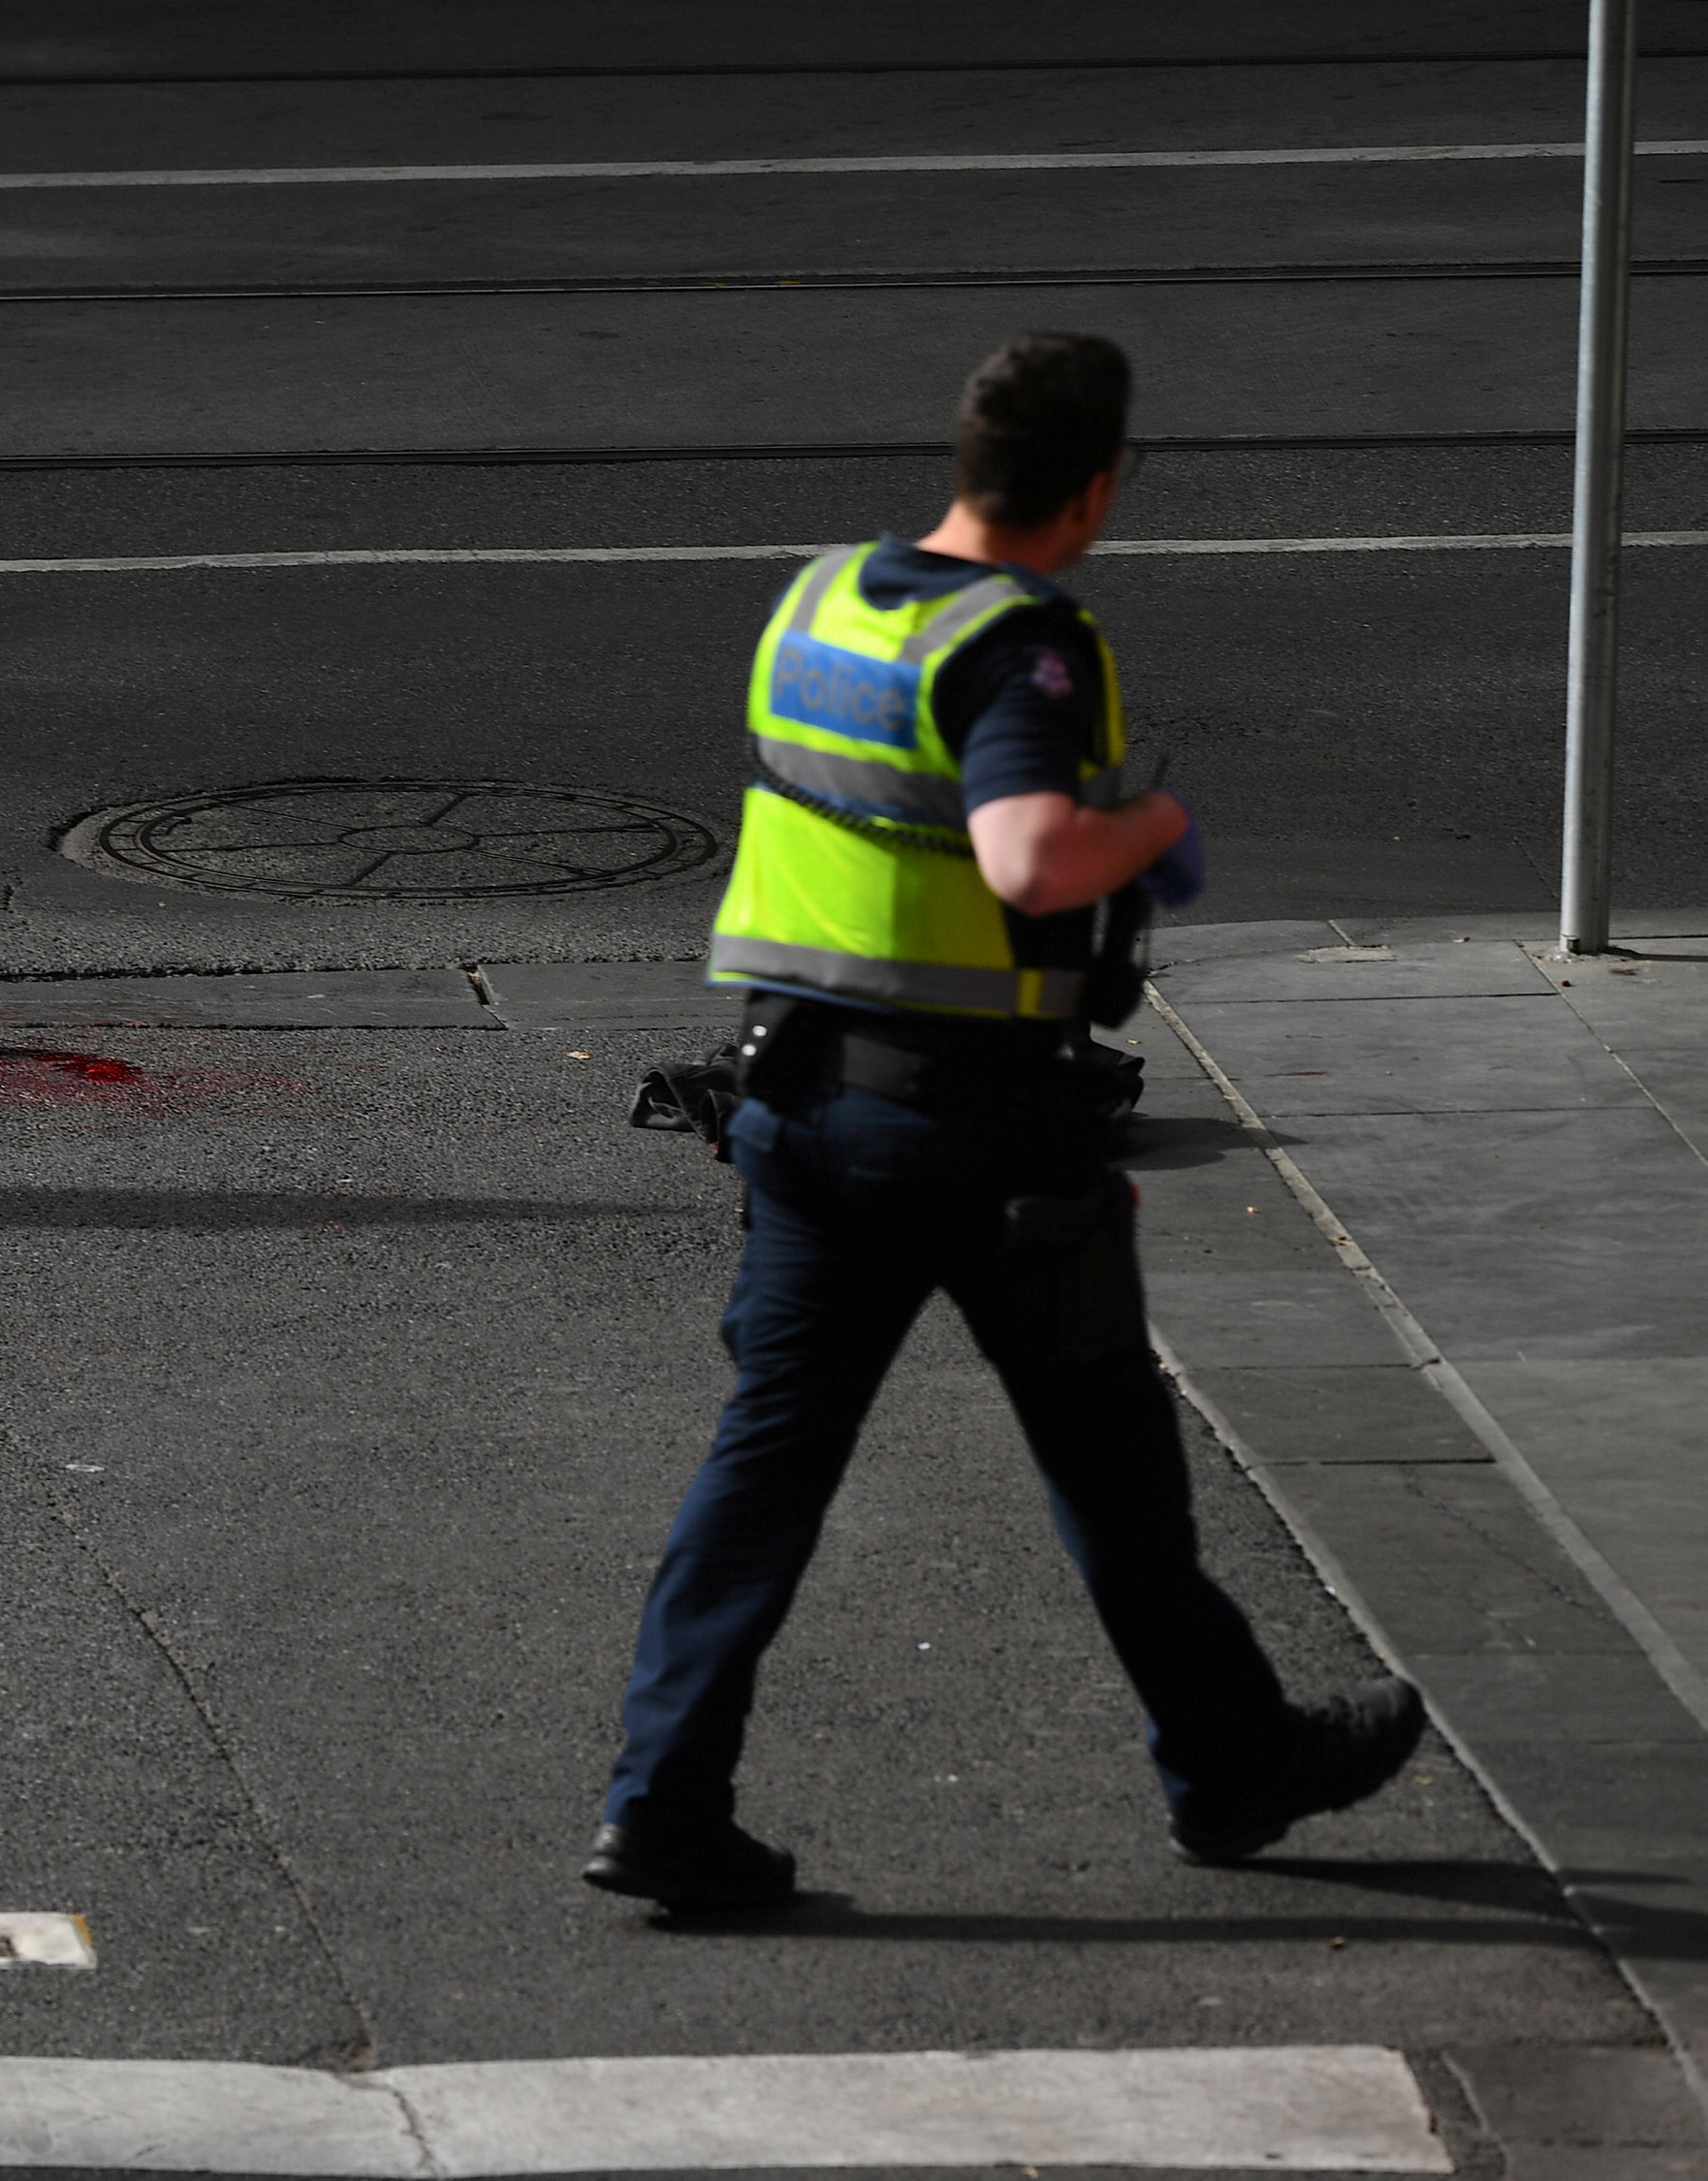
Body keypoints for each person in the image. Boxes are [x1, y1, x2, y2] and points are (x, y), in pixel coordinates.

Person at [585, 333, 1424, 1913]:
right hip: (987, 1140)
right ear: (1094, 491)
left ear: (967, 459)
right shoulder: (1025, 645)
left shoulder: (826, 595)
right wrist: (1155, 830)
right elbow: (1033, 860)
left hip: (794, 1104)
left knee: (760, 1474)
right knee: (1112, 1468)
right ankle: (1232, 1765)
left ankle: (660, 1800)